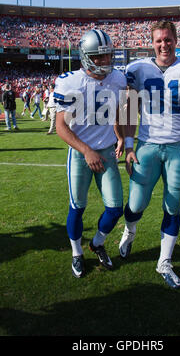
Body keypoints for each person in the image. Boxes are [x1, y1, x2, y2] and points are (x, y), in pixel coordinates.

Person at [119, 20, 180, 289]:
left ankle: (164, 262)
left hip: (179, 147)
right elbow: (130, 108)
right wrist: (128, 146)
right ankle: (130, 230)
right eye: (159, 40)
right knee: (136, 204)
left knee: (173, 206)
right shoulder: (137, 69)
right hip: (147, 146)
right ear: (153, 42)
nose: (164, 44)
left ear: (175, 40)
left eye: (168, 39)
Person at [54, 29, 127, 278]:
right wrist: (86, 151)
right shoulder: (69, 81)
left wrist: (119, 137)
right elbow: (60, 128)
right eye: (99, 57)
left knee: (116, 207)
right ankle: (76, 252)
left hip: (106, 152)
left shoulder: (118, 78)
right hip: (80, 154)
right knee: (77, 206)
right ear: (86, 56)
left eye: (108, 56)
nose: (106, 61)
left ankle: (97, 243)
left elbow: (116, 111)